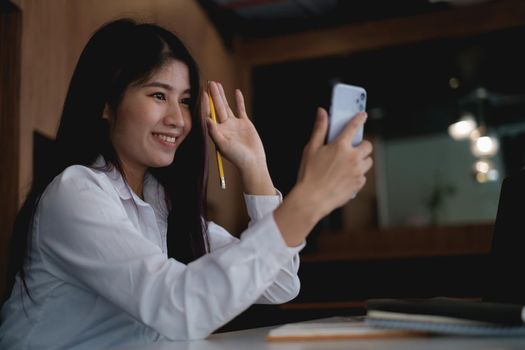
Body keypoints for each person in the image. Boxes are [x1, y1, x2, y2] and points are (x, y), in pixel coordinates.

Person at [0, 18, 373, 349]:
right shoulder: (75, 191)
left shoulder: (160, 203)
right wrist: (307, 201)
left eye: (186, 100)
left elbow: (280, 282)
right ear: (107, 103)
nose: (178, 119)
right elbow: (177, 308)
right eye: (159, 95)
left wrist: (256, 168)